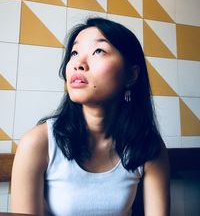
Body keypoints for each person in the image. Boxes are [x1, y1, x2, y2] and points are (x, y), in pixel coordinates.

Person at [11, 17, 170, 216]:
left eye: (98, 51)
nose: (78, 63)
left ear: (131, 76)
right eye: (74, 52)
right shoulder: (38, 142)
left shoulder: (148, 146)